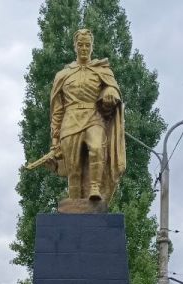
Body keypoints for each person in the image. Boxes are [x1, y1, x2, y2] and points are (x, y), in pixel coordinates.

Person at [34, 28, 125, 204]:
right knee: (73, 166)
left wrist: (110, 92)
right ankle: (75, 201)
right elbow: (57, 110)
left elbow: (112, 88)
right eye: (80, 45)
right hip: (70, 120)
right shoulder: (63, 75)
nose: (84, 48)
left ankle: (95, 188)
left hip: (94, 117)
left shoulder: (102, 70)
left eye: (87, 45)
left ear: (92, 47)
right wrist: (54, 142)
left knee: (97, 147)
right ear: (74, 46)